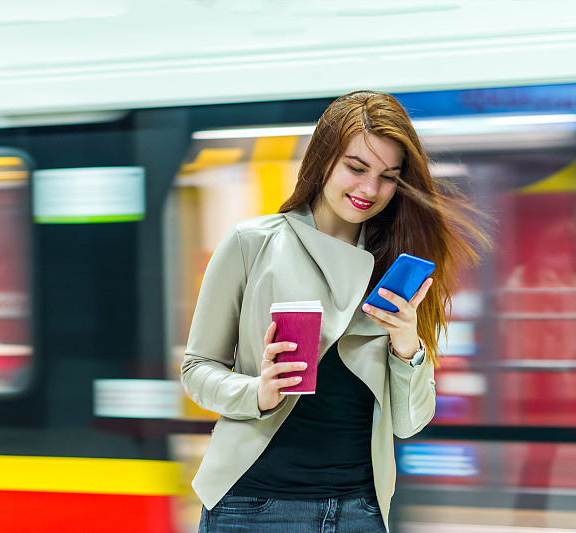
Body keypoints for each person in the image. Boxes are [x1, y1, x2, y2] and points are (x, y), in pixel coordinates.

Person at [181, 90, 489, 532]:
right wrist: (258, 392)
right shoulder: (252, 243)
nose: (369, 189)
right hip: (254, 505)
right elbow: (197, 370)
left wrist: (407, 346)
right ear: (323, 159)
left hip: (360, 509)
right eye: (356, 167)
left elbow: (409, 423)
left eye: (388, 177)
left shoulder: (397, 263)